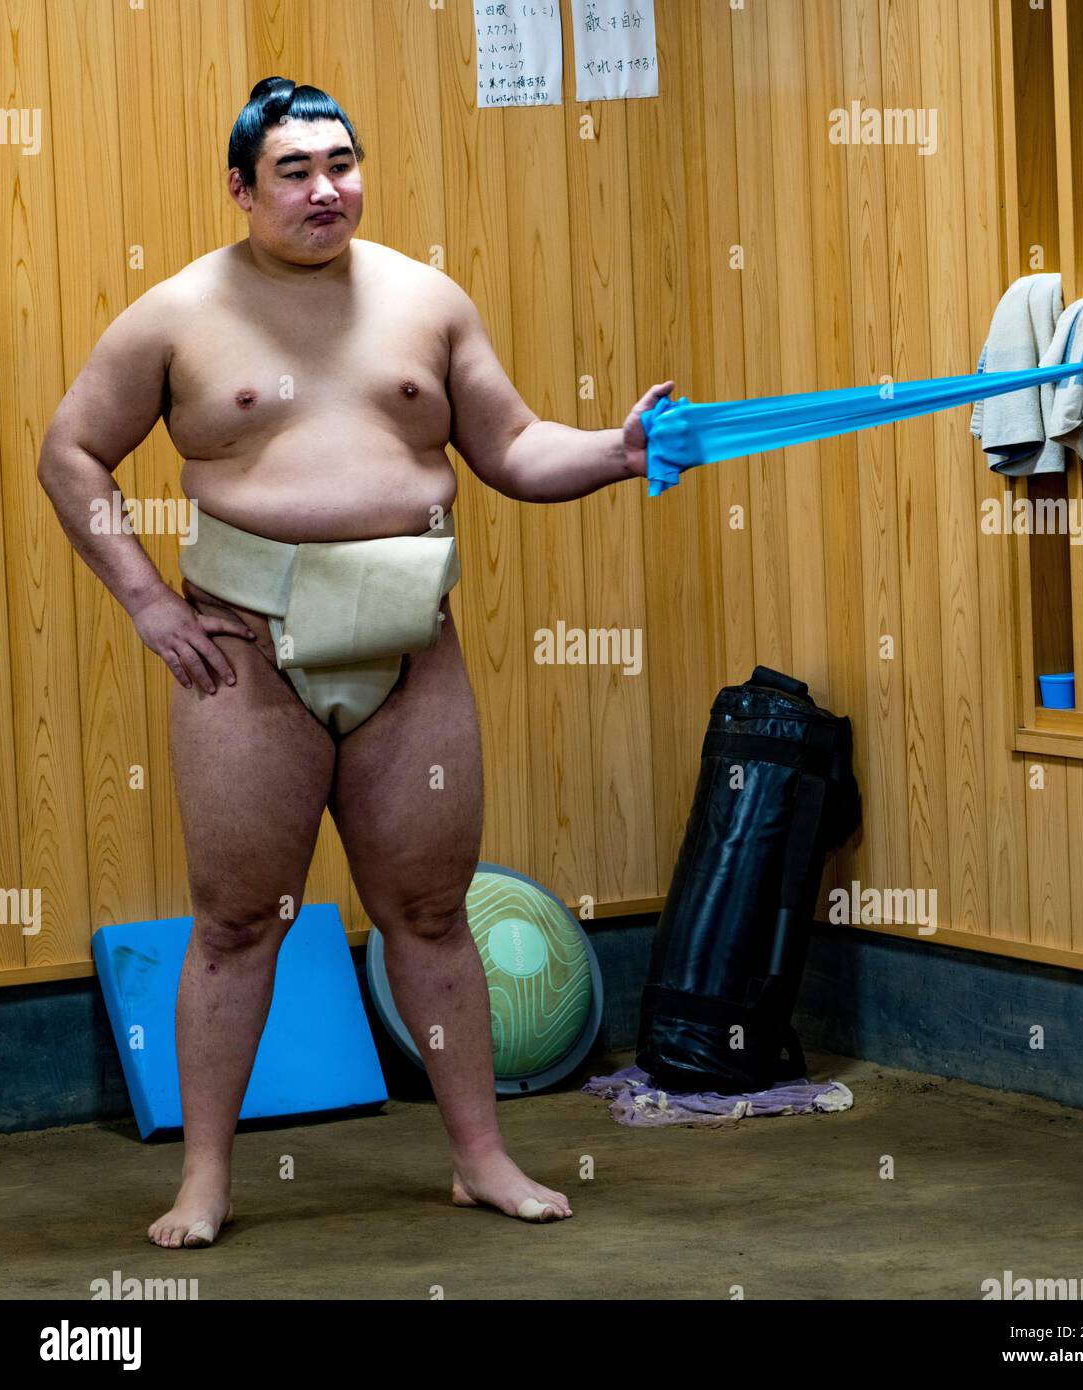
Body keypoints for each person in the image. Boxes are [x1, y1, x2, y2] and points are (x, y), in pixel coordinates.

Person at [38, 77, 673, 1248]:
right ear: (240, 187)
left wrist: (618, 452)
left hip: (408, 647)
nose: (327, 188)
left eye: (343, 162)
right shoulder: (174, 315)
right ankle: (206, 1177)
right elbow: (71, 452)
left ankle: (480, 1157)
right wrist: (142, 601)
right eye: (295, 169)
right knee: (235, 921)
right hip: (248, 653)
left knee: (430, 911)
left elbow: (516, 447)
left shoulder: (427, 300)